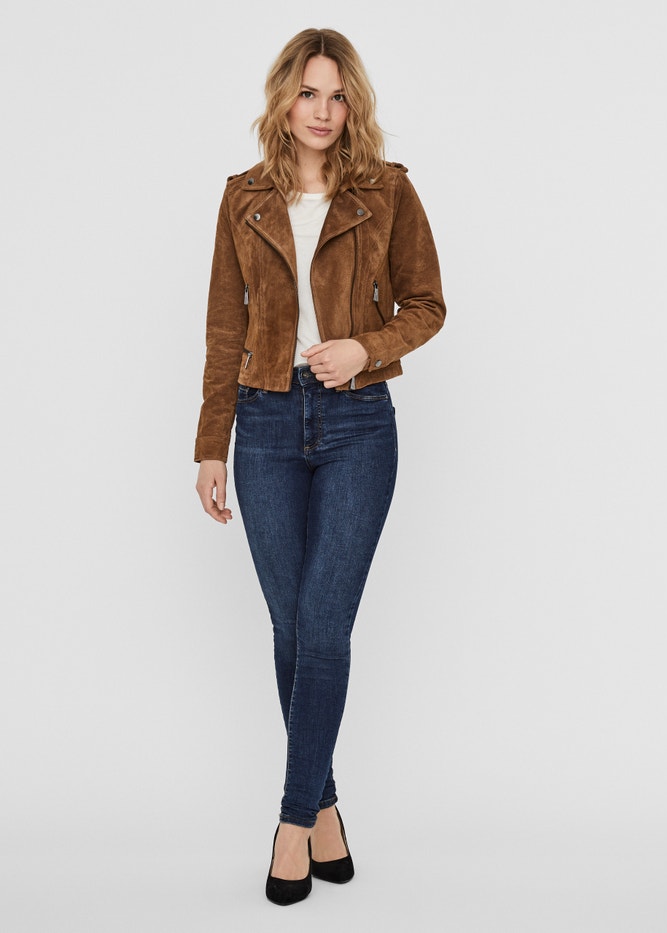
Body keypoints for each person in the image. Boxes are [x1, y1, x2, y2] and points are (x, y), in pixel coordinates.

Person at [194, 27, 446, 906]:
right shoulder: (243, 198)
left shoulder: (387, 191)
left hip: (358, 426)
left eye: (337, 96)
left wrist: (364, 347)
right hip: (263, 424)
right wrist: (210, 443)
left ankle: (292, 821)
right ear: (284, 98)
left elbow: (427, 304)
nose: (323, 111)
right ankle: (328, 807)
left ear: (353, 104)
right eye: (309, 93)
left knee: (325, 624)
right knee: (291, 627)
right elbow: (225, 328)